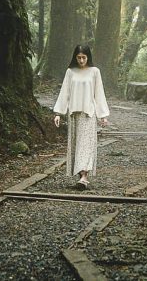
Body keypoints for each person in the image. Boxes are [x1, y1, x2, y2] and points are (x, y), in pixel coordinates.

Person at [52, 44, 110, 189]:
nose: (81, 60)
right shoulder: (70, 72)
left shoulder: (94, 71)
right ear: (75, 57)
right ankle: (81, 176)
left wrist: (103, 115)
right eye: (79, 57)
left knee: (86, 145)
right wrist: (58, 113)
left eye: (84, 57)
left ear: (88, 57)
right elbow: (64, 93)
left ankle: (84, 176)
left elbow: (99, 93)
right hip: (74, 115)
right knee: (76, 145)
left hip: (88, 114)